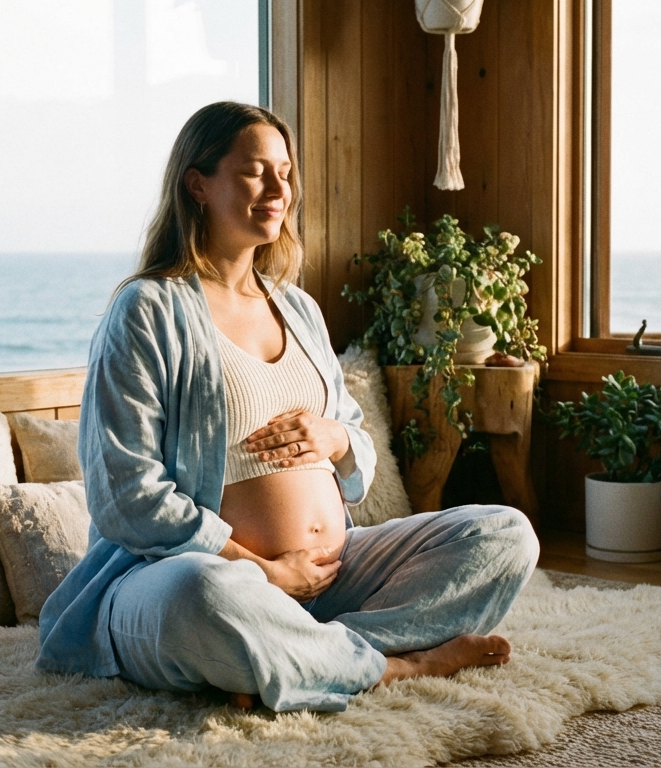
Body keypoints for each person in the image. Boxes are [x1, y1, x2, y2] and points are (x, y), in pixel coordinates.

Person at [35, 101, 540, 712]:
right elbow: (124, 493)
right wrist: (262, 571)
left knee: (504, 535)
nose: (280, 189)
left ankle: (294, 656)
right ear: (198, 183)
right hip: (191, 578)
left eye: (286, 170)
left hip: (330, 572)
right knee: (203, 598)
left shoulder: (298, 309)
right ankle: (391, 666)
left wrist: (335, 440)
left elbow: (356, 452)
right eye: (255, 171)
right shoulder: (148, 310)